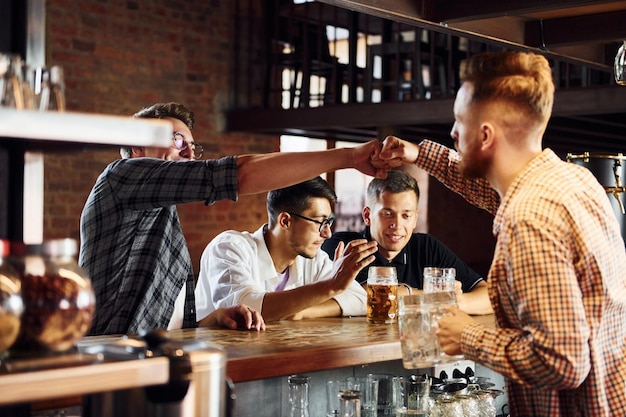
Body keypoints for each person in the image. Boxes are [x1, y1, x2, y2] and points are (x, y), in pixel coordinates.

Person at [374, 51, 626, 416]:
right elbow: (492, 189)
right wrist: (419, 154)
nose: (453, 132)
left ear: (486, 134)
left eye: (459, 121)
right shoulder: (573, 179)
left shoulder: (528, 219)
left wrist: (467, 336)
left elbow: (562, 362)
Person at [79, 102, 386, 336]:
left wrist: (211, 321)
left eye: (191, 145)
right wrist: (349, 157)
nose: (187, 152)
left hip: (145, 361)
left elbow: (164, 323)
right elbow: (238, 174)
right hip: (104, 356)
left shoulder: (164, 215)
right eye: (175, 140)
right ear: (137, 147)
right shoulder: (122, 176)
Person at [189, 177, 376, 323]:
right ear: (285, 221)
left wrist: (300, 312)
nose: (327, 233)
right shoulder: (229, 247)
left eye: (329, 222)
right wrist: (332, 286)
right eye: (320, 222)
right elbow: (247, 310)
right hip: (214, 362)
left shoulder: (314, 258)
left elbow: (360, 300)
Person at [321, 170, 492, 315]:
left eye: (406, 215)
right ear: (367, 216)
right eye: (387, 214)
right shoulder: (343, 246)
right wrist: (435, 298)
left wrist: (455, 303)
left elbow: (488, 297)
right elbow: (373, 298)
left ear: (415, 218)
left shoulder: (426, 247)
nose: (397, 225)